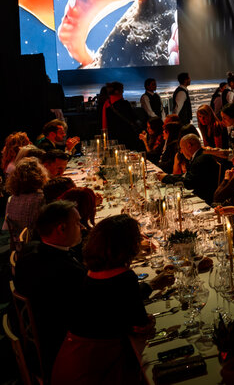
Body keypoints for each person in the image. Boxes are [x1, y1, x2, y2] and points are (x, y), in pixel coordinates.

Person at [53, 215, 156, 384]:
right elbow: (141, 326)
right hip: (96, 371)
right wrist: (148, 322)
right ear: (128, 245)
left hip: (70, 360)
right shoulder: (125, 278)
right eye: (137, 238)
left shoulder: (91, 272)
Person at [15, 201, 86, 375]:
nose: (83, 227)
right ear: (61, 229)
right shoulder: (67, 272)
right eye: (77, 223)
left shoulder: (30, 250)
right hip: (64, 350)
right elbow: (92, 310)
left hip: (39, 336)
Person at [158, 134, 221, 203]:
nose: (181, 152)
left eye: (181, 148)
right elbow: (187, 175)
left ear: (189, 145)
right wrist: (167, 176)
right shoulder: (200, 156)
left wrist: (166, 178)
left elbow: (189, 183)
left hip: (205, 199)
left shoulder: (200, 159)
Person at [3, 157, 48, 234]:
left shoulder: (12, 199)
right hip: (36, 240)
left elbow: (6, 227)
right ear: (41, 176)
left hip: (17, 241)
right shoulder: (41, 199)